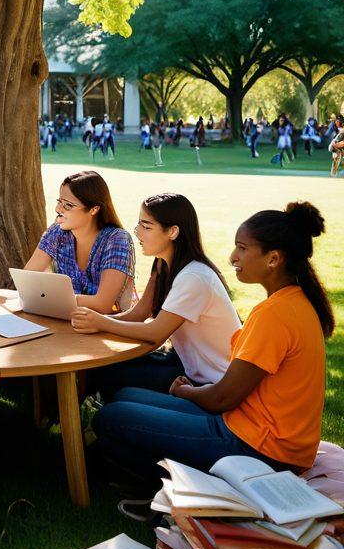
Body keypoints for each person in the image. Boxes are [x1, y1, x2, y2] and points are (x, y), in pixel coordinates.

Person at [93, 202, 334, 503]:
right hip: (254, 429)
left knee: (112, 417)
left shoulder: (274, 314)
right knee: (128, 396)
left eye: (243, 249)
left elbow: (223, 398)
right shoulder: (293, 303)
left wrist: (186, 394)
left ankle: (168, 492)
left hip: (261, 448)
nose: (233, 257)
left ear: (273, 259)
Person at [72, 193, 241, 399]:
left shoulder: (194, 277)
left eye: (146, 226)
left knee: (113, 375)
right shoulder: (162, 264)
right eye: (139, 225)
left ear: (172, 231)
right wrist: (92, 321)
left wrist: (101, 323)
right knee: (103, 365)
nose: (137, 232)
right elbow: (138, 314)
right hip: (184, 364)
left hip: (210, 381)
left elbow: (155, 333)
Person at [24, 170, 136, 312]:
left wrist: (52, 297)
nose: (58, 209)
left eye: (68, 205)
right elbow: (26, 281)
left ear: (94, 209)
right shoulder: (58, 231)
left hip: (107, 326)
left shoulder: (116, 239)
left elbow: (103, 304)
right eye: (60, 202)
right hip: (64, 320)